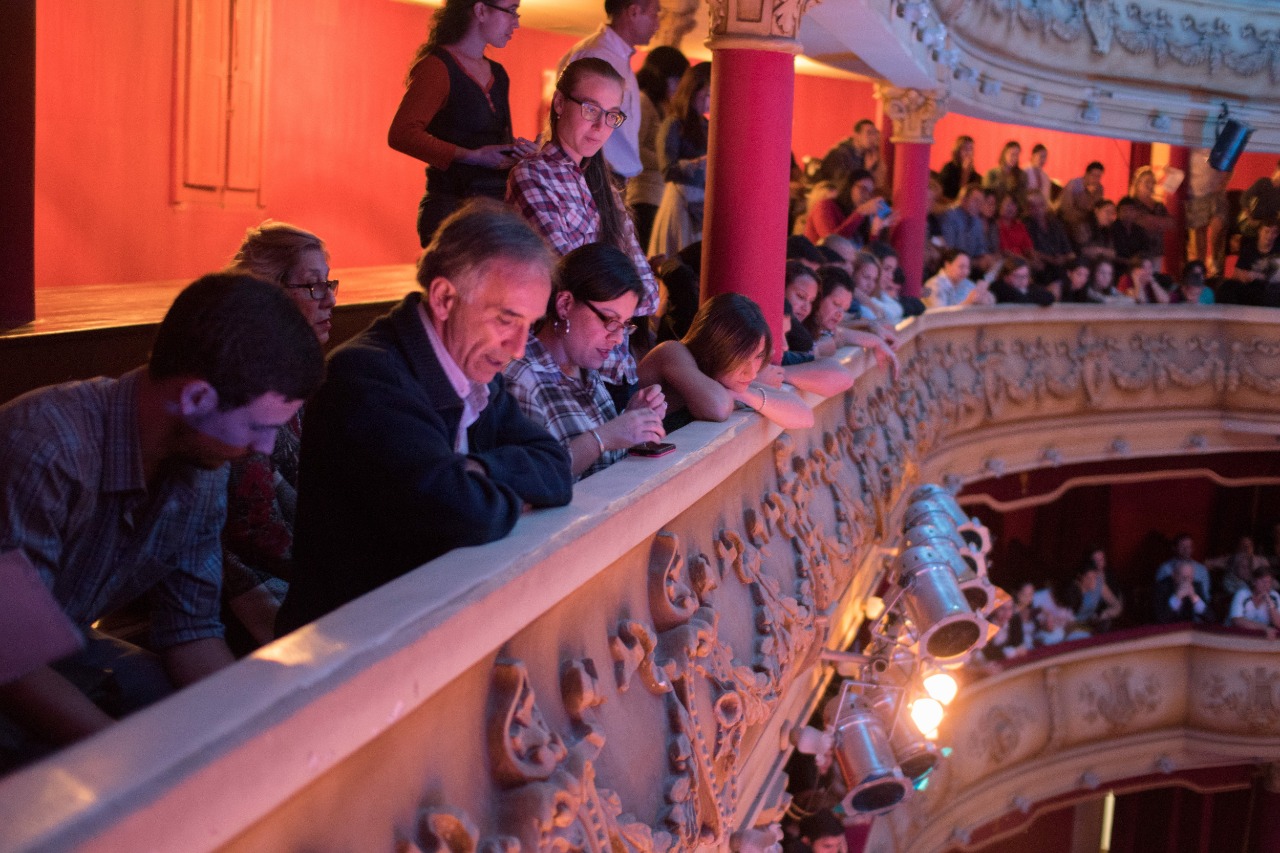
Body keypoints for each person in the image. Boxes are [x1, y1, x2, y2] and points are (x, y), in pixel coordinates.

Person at [0, 275, 324, 765]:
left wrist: (257, 737)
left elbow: (189, 630)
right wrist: (131, 764)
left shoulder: (202, 465)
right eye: (259, 427)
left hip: (56, 652)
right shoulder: (50, 448)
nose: (263, 448)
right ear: (195, 399)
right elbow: (12, 658)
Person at [276, 201, 574, 634]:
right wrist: (503, 493)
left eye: (530, 324)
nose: (517, 348)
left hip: (422, 631)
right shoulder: (365, 376)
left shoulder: (476, 372)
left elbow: (556, 467)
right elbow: (459, 513)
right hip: (347, 654)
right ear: (444, 298)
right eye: (506, 319)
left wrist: (478, 470)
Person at [220, 221, 339, 649]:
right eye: (311, 286)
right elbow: (261, 534)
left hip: (307, 568)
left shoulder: (305, 377)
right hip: (252, 595)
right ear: (268, 294)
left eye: (329, 283)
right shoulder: (246, 388)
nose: (328, 299)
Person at [508, 58, 659, 393]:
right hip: (563, 366)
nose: (600, 126)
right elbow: (572, 276)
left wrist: (613, 301)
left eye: (611, 116)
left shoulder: (606, 189)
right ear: (560, 103)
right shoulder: (532, 175)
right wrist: (619, 298)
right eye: (590, 109)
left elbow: (648, 291)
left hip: (617, 364)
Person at [503, 243, 666, 480]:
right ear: (565, 304)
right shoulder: (521, 377)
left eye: (624, 324)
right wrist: (604, 437)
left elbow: (604, 467)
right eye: (609, 319)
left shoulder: (585, 369)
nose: (618, 338)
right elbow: (530, 480)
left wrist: (630, 420)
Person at [387, 0, 536, 246]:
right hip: (452, 209)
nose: (516, 22)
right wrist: (471, 155)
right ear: (480, 10)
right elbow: (401, 134)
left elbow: (497, 142)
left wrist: (519, 153)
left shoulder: (498, 73)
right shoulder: (437, 67)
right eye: (511, 10)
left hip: (494, 211)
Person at [638, 293, 814, 431]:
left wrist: (741, 394)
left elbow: (804, 416)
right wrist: (739, 394)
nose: (752, 372)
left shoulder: (725, 379)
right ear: (714, 348)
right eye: (742, 359)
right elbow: (718, 408)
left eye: (758, 357)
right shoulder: (671, 352)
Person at [557, 0, 661, 182]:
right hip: (594, 172)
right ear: (634, 12)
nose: (657, 24)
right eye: (654, 14)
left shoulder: (617, 56)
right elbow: (580, 120)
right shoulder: (598, 54)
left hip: (607, 173)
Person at [628, 46, 690, 248]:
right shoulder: (643, 101)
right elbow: (634, 148)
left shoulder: (662, 105)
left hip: (658, 195)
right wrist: (667, 162)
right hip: (643, 194)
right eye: (675, 79)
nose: (677, 86)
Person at [649, 62, 710, 257]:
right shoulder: (674, 123)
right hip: (681, 199)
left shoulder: (707, 124)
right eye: (707, 94)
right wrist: (699, 163)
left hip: (701, 201)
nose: (710, 101)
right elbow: (667, 169)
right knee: (679, 257)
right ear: (693, 90)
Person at [804, 168, 891, 246]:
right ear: (850, 187)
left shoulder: (861, 218)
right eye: (863, 189)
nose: (867, 196)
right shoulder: (825, 206)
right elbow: (831, 243)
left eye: (870, 192)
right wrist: (860, 212)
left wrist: (875, 231)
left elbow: (866, 259)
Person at [815, 118, 884, 192]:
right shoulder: (839, 154)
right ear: (856, 135)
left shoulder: (867, 155)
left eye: (874, 134)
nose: (873, 137)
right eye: (869, 133)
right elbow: (842, 187)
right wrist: (866, 170)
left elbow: (877, 184)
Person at [1023, 191, 1075, 288]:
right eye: (1033, 206)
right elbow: (1027, 250)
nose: (1038, 209)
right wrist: (1051, 259)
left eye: (1041, 205)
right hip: (1042, 265)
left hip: (1060, 264)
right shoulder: (1025, 225)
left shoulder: (1056, 224)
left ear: (1045, 206)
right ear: (1028, 209)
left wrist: (1062, 259)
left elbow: (1070, 252)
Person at [940, 185, 997, 272]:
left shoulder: (977, 221)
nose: (979, 205)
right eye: (975, 201)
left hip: (971, 268)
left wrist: (985, 257)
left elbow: (980, 247)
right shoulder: (950, 217)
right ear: (963, 199)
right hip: (953, 268)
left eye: (981, 202)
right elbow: (950, 251)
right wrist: (975, 263)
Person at [1065, 550, 1123, 634]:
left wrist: (1105, 614)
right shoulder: (1073, 590)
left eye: (1095, 577)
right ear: (1081, 577)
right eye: (1089, 578)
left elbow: (1117, 606)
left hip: (1090, 626)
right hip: (1072, 627)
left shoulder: (1099, 584)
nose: (1093, 582)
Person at [1126, 166, 1174, 256]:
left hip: (1156, 251)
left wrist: (1151, 220)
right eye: (1147, 182)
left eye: (1153, 182)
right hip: (1137, 252)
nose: (1151, 185)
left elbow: (1170, 223)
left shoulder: (1158, 205)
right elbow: (1140, 222)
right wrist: (1158, 222)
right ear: (1137, 183)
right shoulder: (1131, 203)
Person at [1057, 161, 1106, 247]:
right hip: (1068, 220)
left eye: (1099, 176)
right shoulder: (1074, 185)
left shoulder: (1099, 189)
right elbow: (1066, 209)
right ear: (1086, 174)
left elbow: (1096, 208)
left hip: (1088, 221)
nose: (1096, 179)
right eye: (1094, 176)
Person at [923, 249, 992, 309]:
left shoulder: (966, 283)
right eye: (961, 267)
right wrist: (968, 302)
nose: (966, 272)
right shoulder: (933, 285)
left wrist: (986, 299)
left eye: (968, 268)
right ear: (947, 265)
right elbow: (941, 316)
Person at [1227, 568, 1280, 638]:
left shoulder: (1274, 596)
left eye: (1269, 582)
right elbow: (1237, 620)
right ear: (1253, 582)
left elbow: (1278, 623)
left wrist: (1270, 603)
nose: (1266, 585)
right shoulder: (1242, 594)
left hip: (1261, 640)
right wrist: (1264, 628)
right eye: (1263, 581)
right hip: (1237, 637)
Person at [1153, 560, 1211, 624]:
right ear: (1174, 575)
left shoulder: (1196, 586)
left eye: (1190, 577)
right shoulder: (1162, 587)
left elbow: (1210, 618)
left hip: (1187, 630)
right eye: (1183, 577)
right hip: (1167, 630)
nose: (1186, 581)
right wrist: (1177, 597)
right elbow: (1161, 619)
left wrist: (1194, 598)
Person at [1238, 159, 1280, 237]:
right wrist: (1250, 219)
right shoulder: (1264, 183)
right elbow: (1244, 198)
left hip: (1270, 227)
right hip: (1251, 221)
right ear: (1277, 169)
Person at [1231, 217, 1280, 283]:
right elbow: (1235, 273)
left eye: (1274, 232)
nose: (1270, 236)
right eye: (1266, 231)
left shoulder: (1278, 248)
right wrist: (1248, 275)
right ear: (1259, 231)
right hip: (1252, 289)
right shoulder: (1249, 249)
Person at [939, 135, 980, 201]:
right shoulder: (949, 169)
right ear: (957, 151)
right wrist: (965, 173)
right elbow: (942, 194)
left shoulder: (975, 176)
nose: (968, 153)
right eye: (965, 149)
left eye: (971, 149)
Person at [995, 194, 1034, 259]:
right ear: (1000, 205)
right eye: (1008, 204)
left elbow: (1028, 247)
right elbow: (1005, 252)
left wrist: (1033, 258)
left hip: (1024, 263)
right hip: (1006, 263)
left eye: (1014, 205)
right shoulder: (996, 225)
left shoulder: (1020, 226)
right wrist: (1026, 260)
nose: (1010, 208)